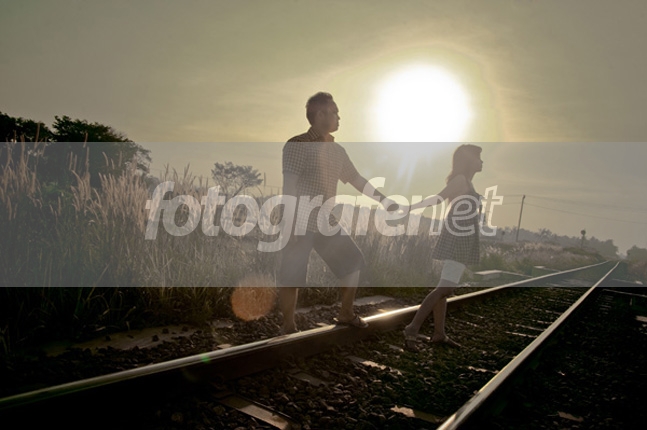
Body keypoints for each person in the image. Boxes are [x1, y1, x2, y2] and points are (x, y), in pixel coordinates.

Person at [277, 92, 396, 334]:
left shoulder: (337, 151)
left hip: (326, 221)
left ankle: (346, 313)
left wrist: (383, 200)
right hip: (300, 220)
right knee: (292, 274)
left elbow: (356, 179)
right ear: (320, 114)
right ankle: (288, 327)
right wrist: (289, 224)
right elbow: (289, 186)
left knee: (353, 261)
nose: (339, 118)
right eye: (335, 112)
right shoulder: (297, 145)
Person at [403, 144, 483, 352]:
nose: (482, 161)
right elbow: (437, 198)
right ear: (469, 161)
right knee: (445, 288)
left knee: (445, 288)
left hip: (463, 239)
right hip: (457, 238)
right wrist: (410, 208)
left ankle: (439, 333)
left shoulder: (468, 182)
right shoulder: (461, 180)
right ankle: (413, 328)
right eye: (478, 157)